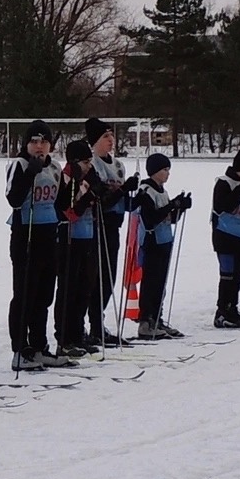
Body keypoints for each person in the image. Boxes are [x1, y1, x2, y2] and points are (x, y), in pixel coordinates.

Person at [4, 121, 67, 369]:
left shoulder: (54, 167)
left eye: (43, 141)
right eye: (34, 141)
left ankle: (40, 345)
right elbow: (13, 198)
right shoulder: (19, 164)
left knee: (44, 293)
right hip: (25, 234)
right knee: (24, 293)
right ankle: (20, 349)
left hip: (49, 233)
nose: (39, 146)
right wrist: (31, 171)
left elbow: (60, 200)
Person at [131, 153, 191, 337]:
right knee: (151, 282)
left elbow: (168, 218)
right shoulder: (146, 191)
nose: (167, 173)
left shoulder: (161, 190)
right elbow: (151, 220)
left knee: (160, 283)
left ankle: (157, 318)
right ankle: (146, 321)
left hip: (164, 241)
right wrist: (172, 205)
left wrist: (180, 207)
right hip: (152, 243)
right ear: (155, 171)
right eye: (164, 170)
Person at [84, 118, 133, 343]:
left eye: (111, 135)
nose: (111, 140)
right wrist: (123, 190)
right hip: (95, 226)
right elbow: (102, 199)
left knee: (110, 276)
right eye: (105, 136)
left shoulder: (119, 165)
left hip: (114, 226)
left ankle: (98, 323)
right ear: (94, 141)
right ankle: (93, 324)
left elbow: (123, 199)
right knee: (97, 277)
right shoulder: (91, 164)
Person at [54, 134, 102, 357]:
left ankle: (77, 332)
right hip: (69, 239)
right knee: (68, 288)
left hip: (87, 237)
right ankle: (64, 336)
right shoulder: (65, 179)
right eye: (85, 162)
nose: (89, 166)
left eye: (90, 161)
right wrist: (88, 199)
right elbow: (68, 211)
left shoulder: (86, 178)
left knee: (85, 287)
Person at [209, 146, 240, 329]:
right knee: (227, 275)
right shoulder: (224, 183)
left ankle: (233, 308)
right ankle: (222, 311)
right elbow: (224, 206)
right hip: (225, 237)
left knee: (238, 275)